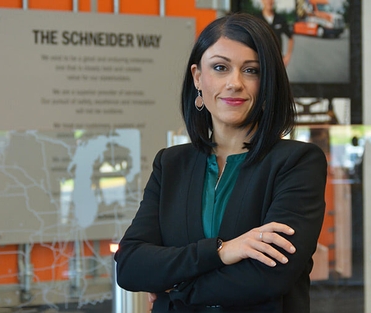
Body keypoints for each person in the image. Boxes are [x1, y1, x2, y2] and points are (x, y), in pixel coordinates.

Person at [114, 12, 327, 312]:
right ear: (198, 77)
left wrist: (175, 286)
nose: (235, 83)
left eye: (251, 70)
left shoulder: (297, 163)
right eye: (220, 68)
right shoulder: (171, 164)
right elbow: (130, 266)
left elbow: (268, 277)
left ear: (267, 83)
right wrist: (223, 252)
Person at [256, 0, 295, 67]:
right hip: (260, 59)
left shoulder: (280, 19)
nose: (269, 1)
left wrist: (288, 56)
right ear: (262, 1)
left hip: (277, 59)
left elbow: (290, 38)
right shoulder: (256, 19)